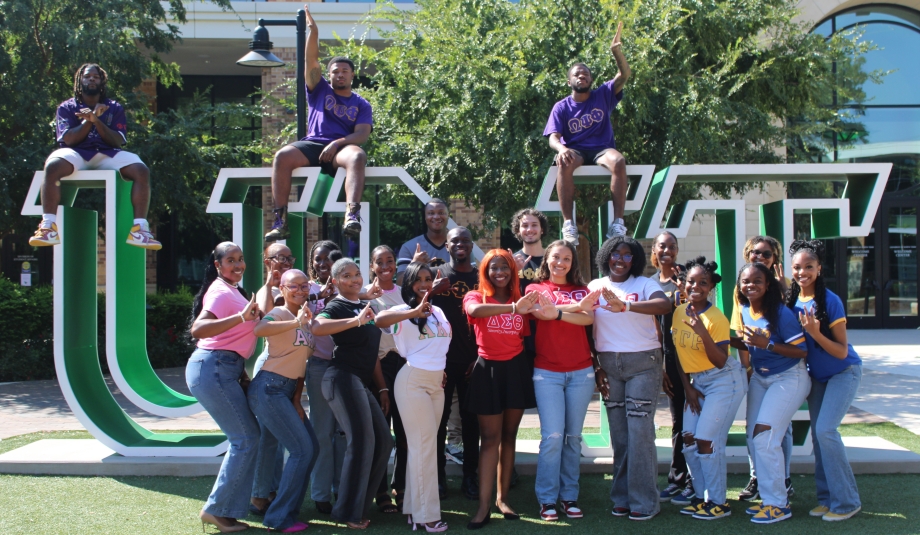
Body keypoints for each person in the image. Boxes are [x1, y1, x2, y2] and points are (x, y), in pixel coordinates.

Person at [579, 236, 671, 521]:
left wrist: (627, 306)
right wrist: (596, 366)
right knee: (620, 435)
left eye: (627, 255)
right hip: (609, 365)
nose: (620, 259)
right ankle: (621, 498)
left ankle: (645, 501)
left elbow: (664, 305)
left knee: (640, 433)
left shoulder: (644, 285)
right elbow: (585, 324)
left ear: (636, 260)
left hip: (643, 363)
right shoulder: (595, 286)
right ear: (606, 256)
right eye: (615, 254)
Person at [265, 4, 372, 242]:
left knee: (357, 156)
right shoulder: (318, 88)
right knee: (282, 156)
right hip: (313, 144)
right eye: (335, 71)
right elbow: (310, 59)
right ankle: (280, 221)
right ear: (329, 74)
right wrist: (313, 32)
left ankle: (352, 215)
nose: (340, 74)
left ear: (352, 75)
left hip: (341, 150)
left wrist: (336, 144)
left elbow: (362, 134)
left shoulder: (361, 104)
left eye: (345, 71)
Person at [463, 249, 553, 529]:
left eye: (505, 267)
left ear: (512, 271)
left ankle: (503, 500)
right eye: (494, 268)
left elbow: (525, 334)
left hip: (515, 371)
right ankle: (483, 506)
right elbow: (474, 312)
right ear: (485, 272)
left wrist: (525, 304)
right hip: (487, 370)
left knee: (509, 437)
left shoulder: (520, 299)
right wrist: (515, 308)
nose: (499, 272)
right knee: (489, 440)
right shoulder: (476, 296)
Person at [31, 63, 160, 250]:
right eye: (87, 76)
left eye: (96, 77)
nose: (91, 79)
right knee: (52, 165)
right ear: (79, 81)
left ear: (102, 82)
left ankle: (140, 229)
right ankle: (48, 226)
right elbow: (69, 139)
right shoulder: (67, 107)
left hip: (106, 153)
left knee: (141, 170)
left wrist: (96, 121)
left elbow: (116, 141)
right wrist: (87, 121)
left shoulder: (114, 108)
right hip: (77, 153)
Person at [313, 258, 394, 529]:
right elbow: (317, 326)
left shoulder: (360, 303)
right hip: (341, 379)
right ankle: (348, 512)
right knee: (360, 443)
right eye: (346, 276)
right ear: (335, 282)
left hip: (358, 381)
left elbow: (371, 353)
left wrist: (381, 387)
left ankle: (360, 504)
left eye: (357, 274)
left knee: (384, 441)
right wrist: (356, 320)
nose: (355, 279)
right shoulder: (337, 306)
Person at [186, 242, 262, 533]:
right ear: (218, 265)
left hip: (223, 368)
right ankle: (217, 511)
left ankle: (224, 510)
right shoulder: (219, 291)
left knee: (247, 438)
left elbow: (229, 340)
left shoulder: (232, 290)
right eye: (231, 260)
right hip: (213, 369)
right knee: (245, 438)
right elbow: (199, 329)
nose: (238, 265)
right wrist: (242, 317)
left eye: (241, 259)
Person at [786, 240, 862, 521]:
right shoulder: (790, 301)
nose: (802, 271)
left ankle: (847, 502)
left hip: (844, 372)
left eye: (808, 266)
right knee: (819, 438)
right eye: (797, 267)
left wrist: (816, 333)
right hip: (816, 378)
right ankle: (827, 499)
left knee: (826, 431)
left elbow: (842, 351)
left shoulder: (830, 300)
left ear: (818, 269)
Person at [375, 262, 453, 532]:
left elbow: (439, 346)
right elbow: (378, 320)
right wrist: (412, 311)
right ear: (408, 284)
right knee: (424, 448)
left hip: (435, 384)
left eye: (428, 278)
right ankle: (427, 515)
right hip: (412, 383)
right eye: (418, 279)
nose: (423, 283)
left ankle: (412, 508)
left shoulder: (439, 310)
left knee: (427, 447)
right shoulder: (401, 310)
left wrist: (439, 370)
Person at [729, 263, 808, 525]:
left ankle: (778, 504)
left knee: (765, 438)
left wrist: (769, 344)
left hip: (789, 377)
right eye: (745, 281)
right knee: (754, 439)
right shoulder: (743, 309)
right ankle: (768, 498)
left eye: (757, 281)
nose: (750, 285)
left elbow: (802, 351)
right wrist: (722, 339)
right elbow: (749, 343)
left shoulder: (780, 313)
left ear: (768, 284)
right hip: (761, 378)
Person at [525, 240, 595, 521]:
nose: (560, 263)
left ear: (572, 263)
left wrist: (561, 312)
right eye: (556, 257)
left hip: (582, 372)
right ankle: (546, 499)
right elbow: (540, 312)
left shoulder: (582, 289)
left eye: (566, 258)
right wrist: (573, 309)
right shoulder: (535, 289)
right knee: (553, 437)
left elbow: (588, 319)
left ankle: (569, 496)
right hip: (547, 373)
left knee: (573, 438)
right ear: (547, 260)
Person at [670, 258, 745, 520]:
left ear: (711, 287)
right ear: (683, 283)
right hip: (697, 383)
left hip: (724, 381)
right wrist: (688, 387)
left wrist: (701, 330)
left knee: (707, 441)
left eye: (703, 283)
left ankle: (719, 502)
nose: (696, 287)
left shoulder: (716, 318)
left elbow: (721, 360)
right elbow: (678, 354)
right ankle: (702, 498)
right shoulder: (679, 312)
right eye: (691, 281)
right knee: (689, 441)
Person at [543, 22, 631, 245]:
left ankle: (618, 222)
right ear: (569, 81)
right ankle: (568, 224)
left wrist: (616, 52)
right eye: (577, 74)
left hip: (602, 148)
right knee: (563, 161)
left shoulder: (603, 95)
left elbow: (625, 74)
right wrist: (562, 148)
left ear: (590, 80)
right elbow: (553, 136)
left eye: (585, 74)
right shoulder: (561, 107)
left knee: (619, 160)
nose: (581, 76)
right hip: (576, 150)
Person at [248, 269, 319, 533]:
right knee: (302, 450)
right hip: (268, 388)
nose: (301, 291)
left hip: (288, 392)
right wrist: (295, 322)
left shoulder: (307, 319)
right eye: (294, 286)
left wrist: (298, 400)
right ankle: (277, 517)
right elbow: (259, 329)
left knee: (311, 448)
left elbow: (302, 365)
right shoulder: (280, 313)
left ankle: (288, 510)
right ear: (283, 288)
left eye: (304, 287)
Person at [730, 236, 795, 502]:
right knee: (753, 427)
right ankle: (757, 477)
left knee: (781, 429)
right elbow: (742, 332)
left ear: (774, 259)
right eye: (755, 253)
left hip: (785, 369)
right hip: (759, 370)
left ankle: (784, 479)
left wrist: (781, 289)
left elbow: (791, 330)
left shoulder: (786, 286)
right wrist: (746, 368)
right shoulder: (742, 287)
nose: (760, 257)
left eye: (766, 254)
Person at [430, 227, 481, 501]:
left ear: (471, 245)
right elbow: (416, 305)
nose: (460, 244)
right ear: (446, 246)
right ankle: (438, 480)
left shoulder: (480, 278)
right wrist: (432, 289)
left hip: (474, 361)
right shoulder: (438, 275)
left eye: (465, 240)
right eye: (455, 241)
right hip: (442, 363)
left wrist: (480, 355)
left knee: (472, 424)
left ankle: (470, 478)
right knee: (438, 423)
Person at [250, 242, 298, 516]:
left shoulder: (298, 286)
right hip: (271, 370)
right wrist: (269, 282)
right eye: (276, 258)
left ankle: (274, 490)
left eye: (287, 257)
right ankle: (259, 494)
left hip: (292, 371)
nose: (283, 262)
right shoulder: (265, 290)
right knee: (269, 436)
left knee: (279, 437)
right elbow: (264, 322)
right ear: (266, 261)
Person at [363, 245, 407, 513]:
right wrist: (380, 386)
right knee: (381, 432)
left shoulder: (405, 294)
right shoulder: (365, 295)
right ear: (372, 266)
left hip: (403, 365)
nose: (386, 266)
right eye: (380, 262)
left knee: (403, 431)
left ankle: (400, 487)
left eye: (390, 260)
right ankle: (380, 491)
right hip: (376, 367)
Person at [649, 231, 692, 504]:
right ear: (654, 249)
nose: (667, 250)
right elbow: (655, 330)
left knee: (695, 419)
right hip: (669, 357)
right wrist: (663, 365)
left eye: (672, 246)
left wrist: (684, 290)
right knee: (678, 420)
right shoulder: (649, 283)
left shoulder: (687, 277)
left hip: (693, 356)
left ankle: (694, 480)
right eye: (662, 245)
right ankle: (678, 479)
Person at [304, 240, 344, 515]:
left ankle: (343, 488)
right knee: (322, 430)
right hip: (318, 366)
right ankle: (320, 494)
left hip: (345, 367)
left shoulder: (348, 289)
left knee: (343, 432)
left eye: (328, 259)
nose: (322, 263)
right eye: (318, 259)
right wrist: (319, 298)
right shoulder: (306, 290)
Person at [397, 199, 451, 283]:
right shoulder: (409, 247)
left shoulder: (460, 246)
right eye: (431, 213)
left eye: (441, 213)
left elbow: (473, 279)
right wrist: (414, 265)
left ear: (448, 215)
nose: (436, 217)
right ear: (425, 217)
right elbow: (400, 283)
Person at [510, 208, 549, 294]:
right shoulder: (512, 261)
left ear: (542, 229)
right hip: (519, 307)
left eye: (534, 225)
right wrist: (512, 270)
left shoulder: (553, 259)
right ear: (518, 230)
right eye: (525, 225)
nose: (529, 229)